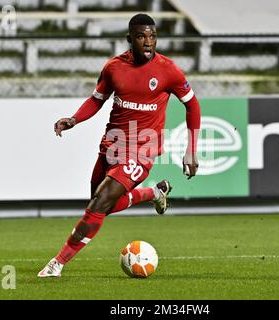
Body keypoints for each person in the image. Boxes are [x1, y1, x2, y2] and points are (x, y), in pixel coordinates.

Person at [38, 13, 201, 277]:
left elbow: (192, 105)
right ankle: (153, 193)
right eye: (141, 37)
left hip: (142, 151)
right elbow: (96, 100)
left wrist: (191, 149)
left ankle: (57, 263)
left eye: (152, 36)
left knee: (100, 202)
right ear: (130, 39)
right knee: (102, 204)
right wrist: (74, 119)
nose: (148, 42)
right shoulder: (114, 67)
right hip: (111, 147)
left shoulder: (168, 70)